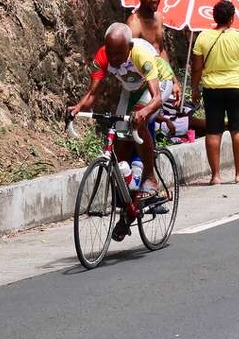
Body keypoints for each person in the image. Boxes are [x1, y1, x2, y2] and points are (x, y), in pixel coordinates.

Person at [68, 24, 174, 237]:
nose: (114, 58)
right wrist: (77, 108)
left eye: (119, 53)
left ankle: (150, 177)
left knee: (137, 119)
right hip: (132, 88)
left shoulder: (141, 54)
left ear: (129, 46)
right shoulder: (103, 56)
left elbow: (155, 99)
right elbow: (93, 92)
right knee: (120, 143)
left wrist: (144, 113)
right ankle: (129, 209)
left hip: (159, 84)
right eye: (110, 52)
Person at [191, 0, 239, 185]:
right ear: (232, 18)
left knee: (213, 131)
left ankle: (215, 176)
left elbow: (197, 68)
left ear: (214, 17)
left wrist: (194, 88)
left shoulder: (203, 37)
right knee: (238, 129)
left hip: (212, 88)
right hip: (237, 87)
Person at [126, 0, 182, 108]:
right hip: (144, 81)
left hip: (162, 76)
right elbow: (128, 60)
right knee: (141, 119)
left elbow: (160, 51)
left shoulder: (158, 17)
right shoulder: (134, 23)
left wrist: (174, 81)